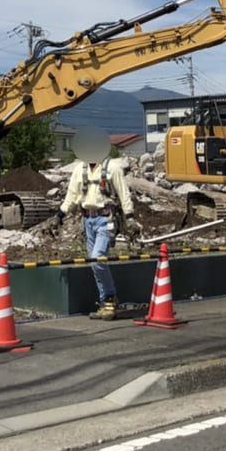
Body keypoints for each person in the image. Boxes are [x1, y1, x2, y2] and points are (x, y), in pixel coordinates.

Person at [56, 126, 137, 319]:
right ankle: (105, 301)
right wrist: (60, 214)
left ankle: (109, 298)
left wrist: (130, 217)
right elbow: (72, 195)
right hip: (88, 221)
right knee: (94, 262)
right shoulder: (79, 170)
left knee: (99, 258)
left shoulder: (113, 168)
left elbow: (124, 194)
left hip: (106, 219)